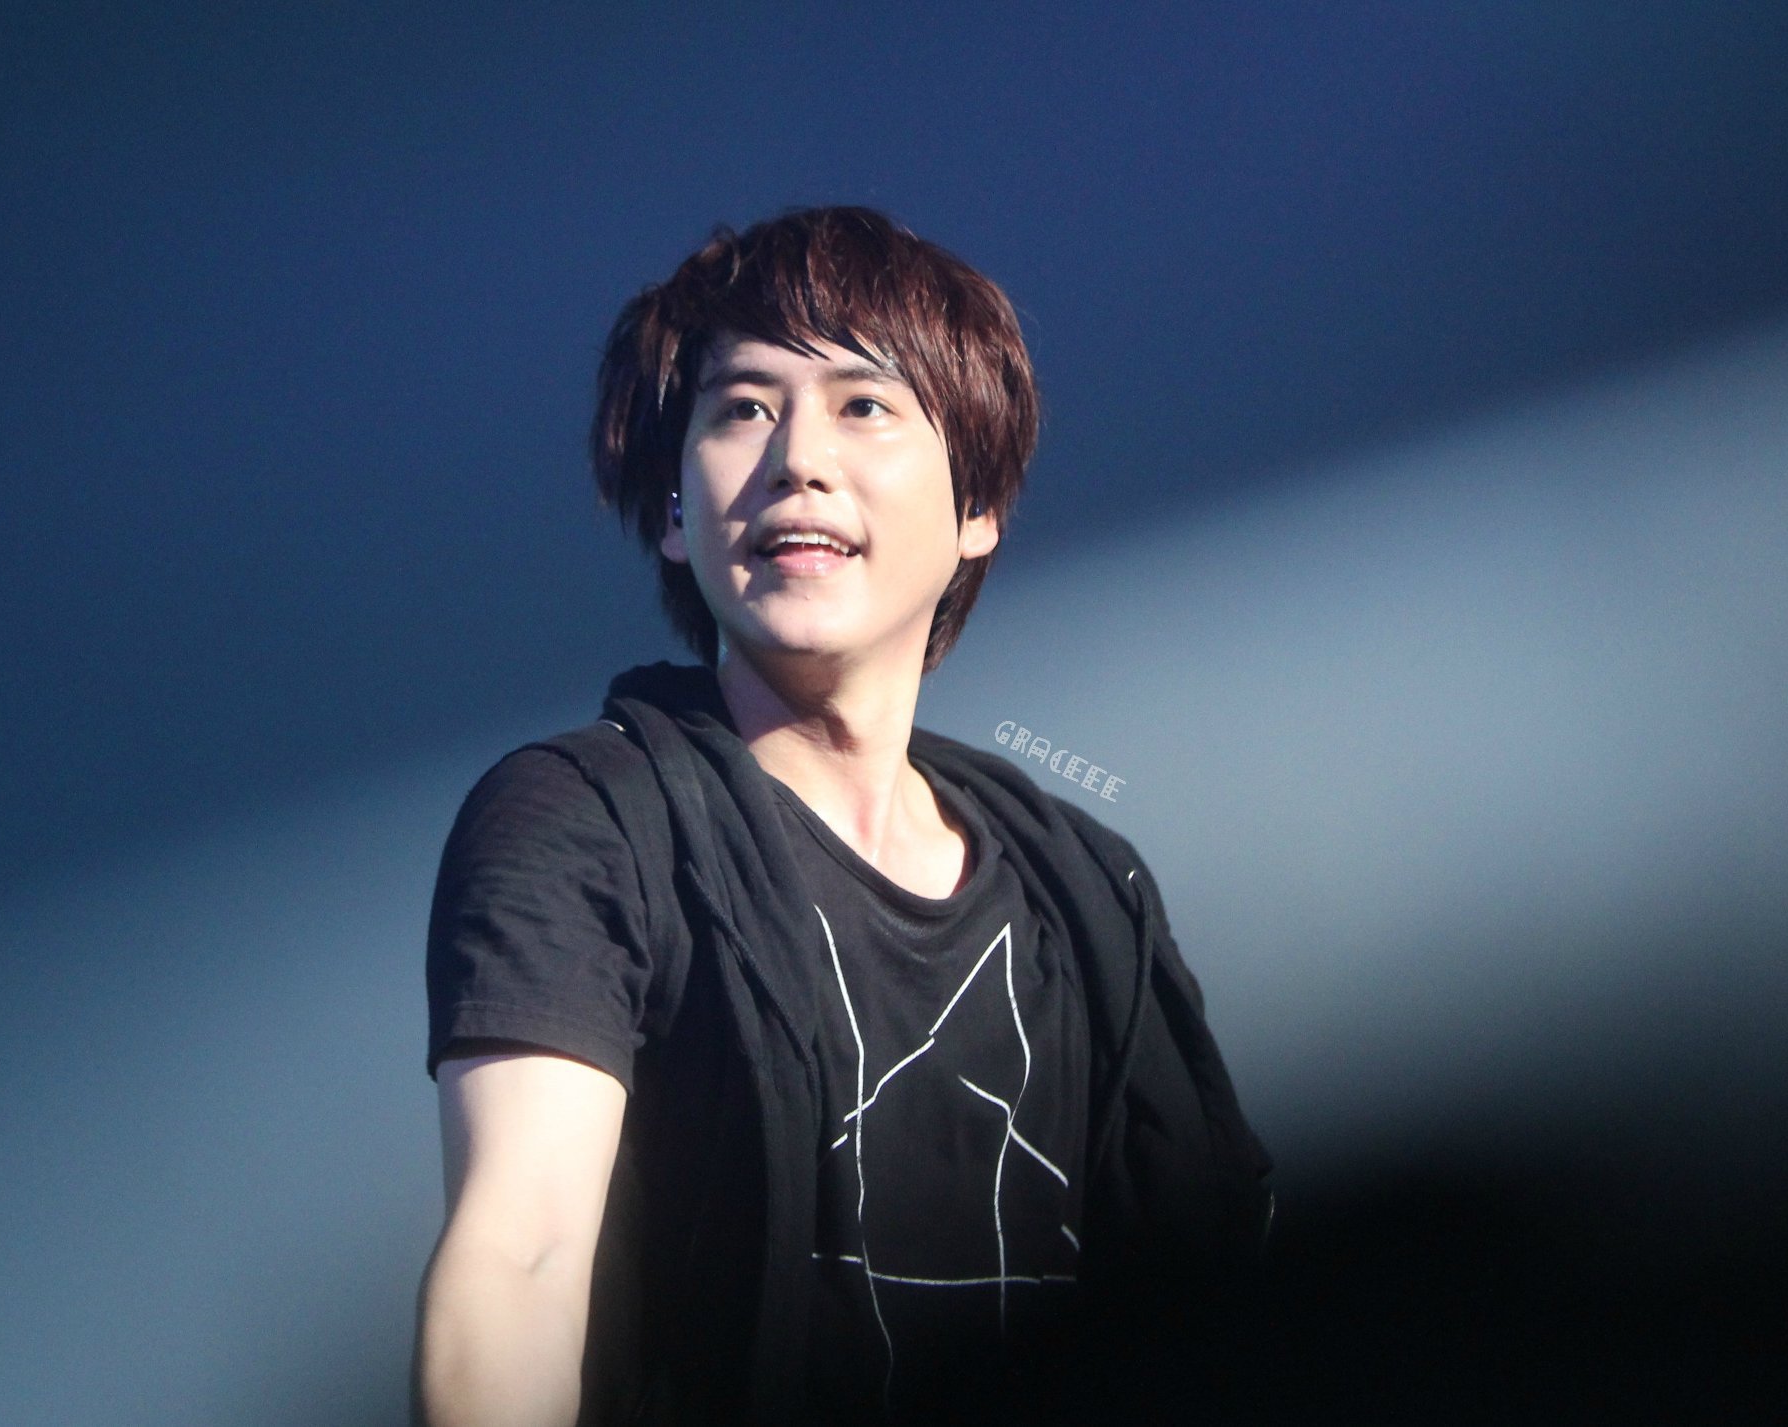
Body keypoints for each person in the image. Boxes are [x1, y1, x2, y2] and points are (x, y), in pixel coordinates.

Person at [411, 206, 1272, 1427]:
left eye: (863, 403)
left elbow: (1214, 1304)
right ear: (674, 512)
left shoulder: (1084, 885)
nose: (796, 457)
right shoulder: (586, 820)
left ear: (978, 506)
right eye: (740, 408)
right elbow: (523, 1253)